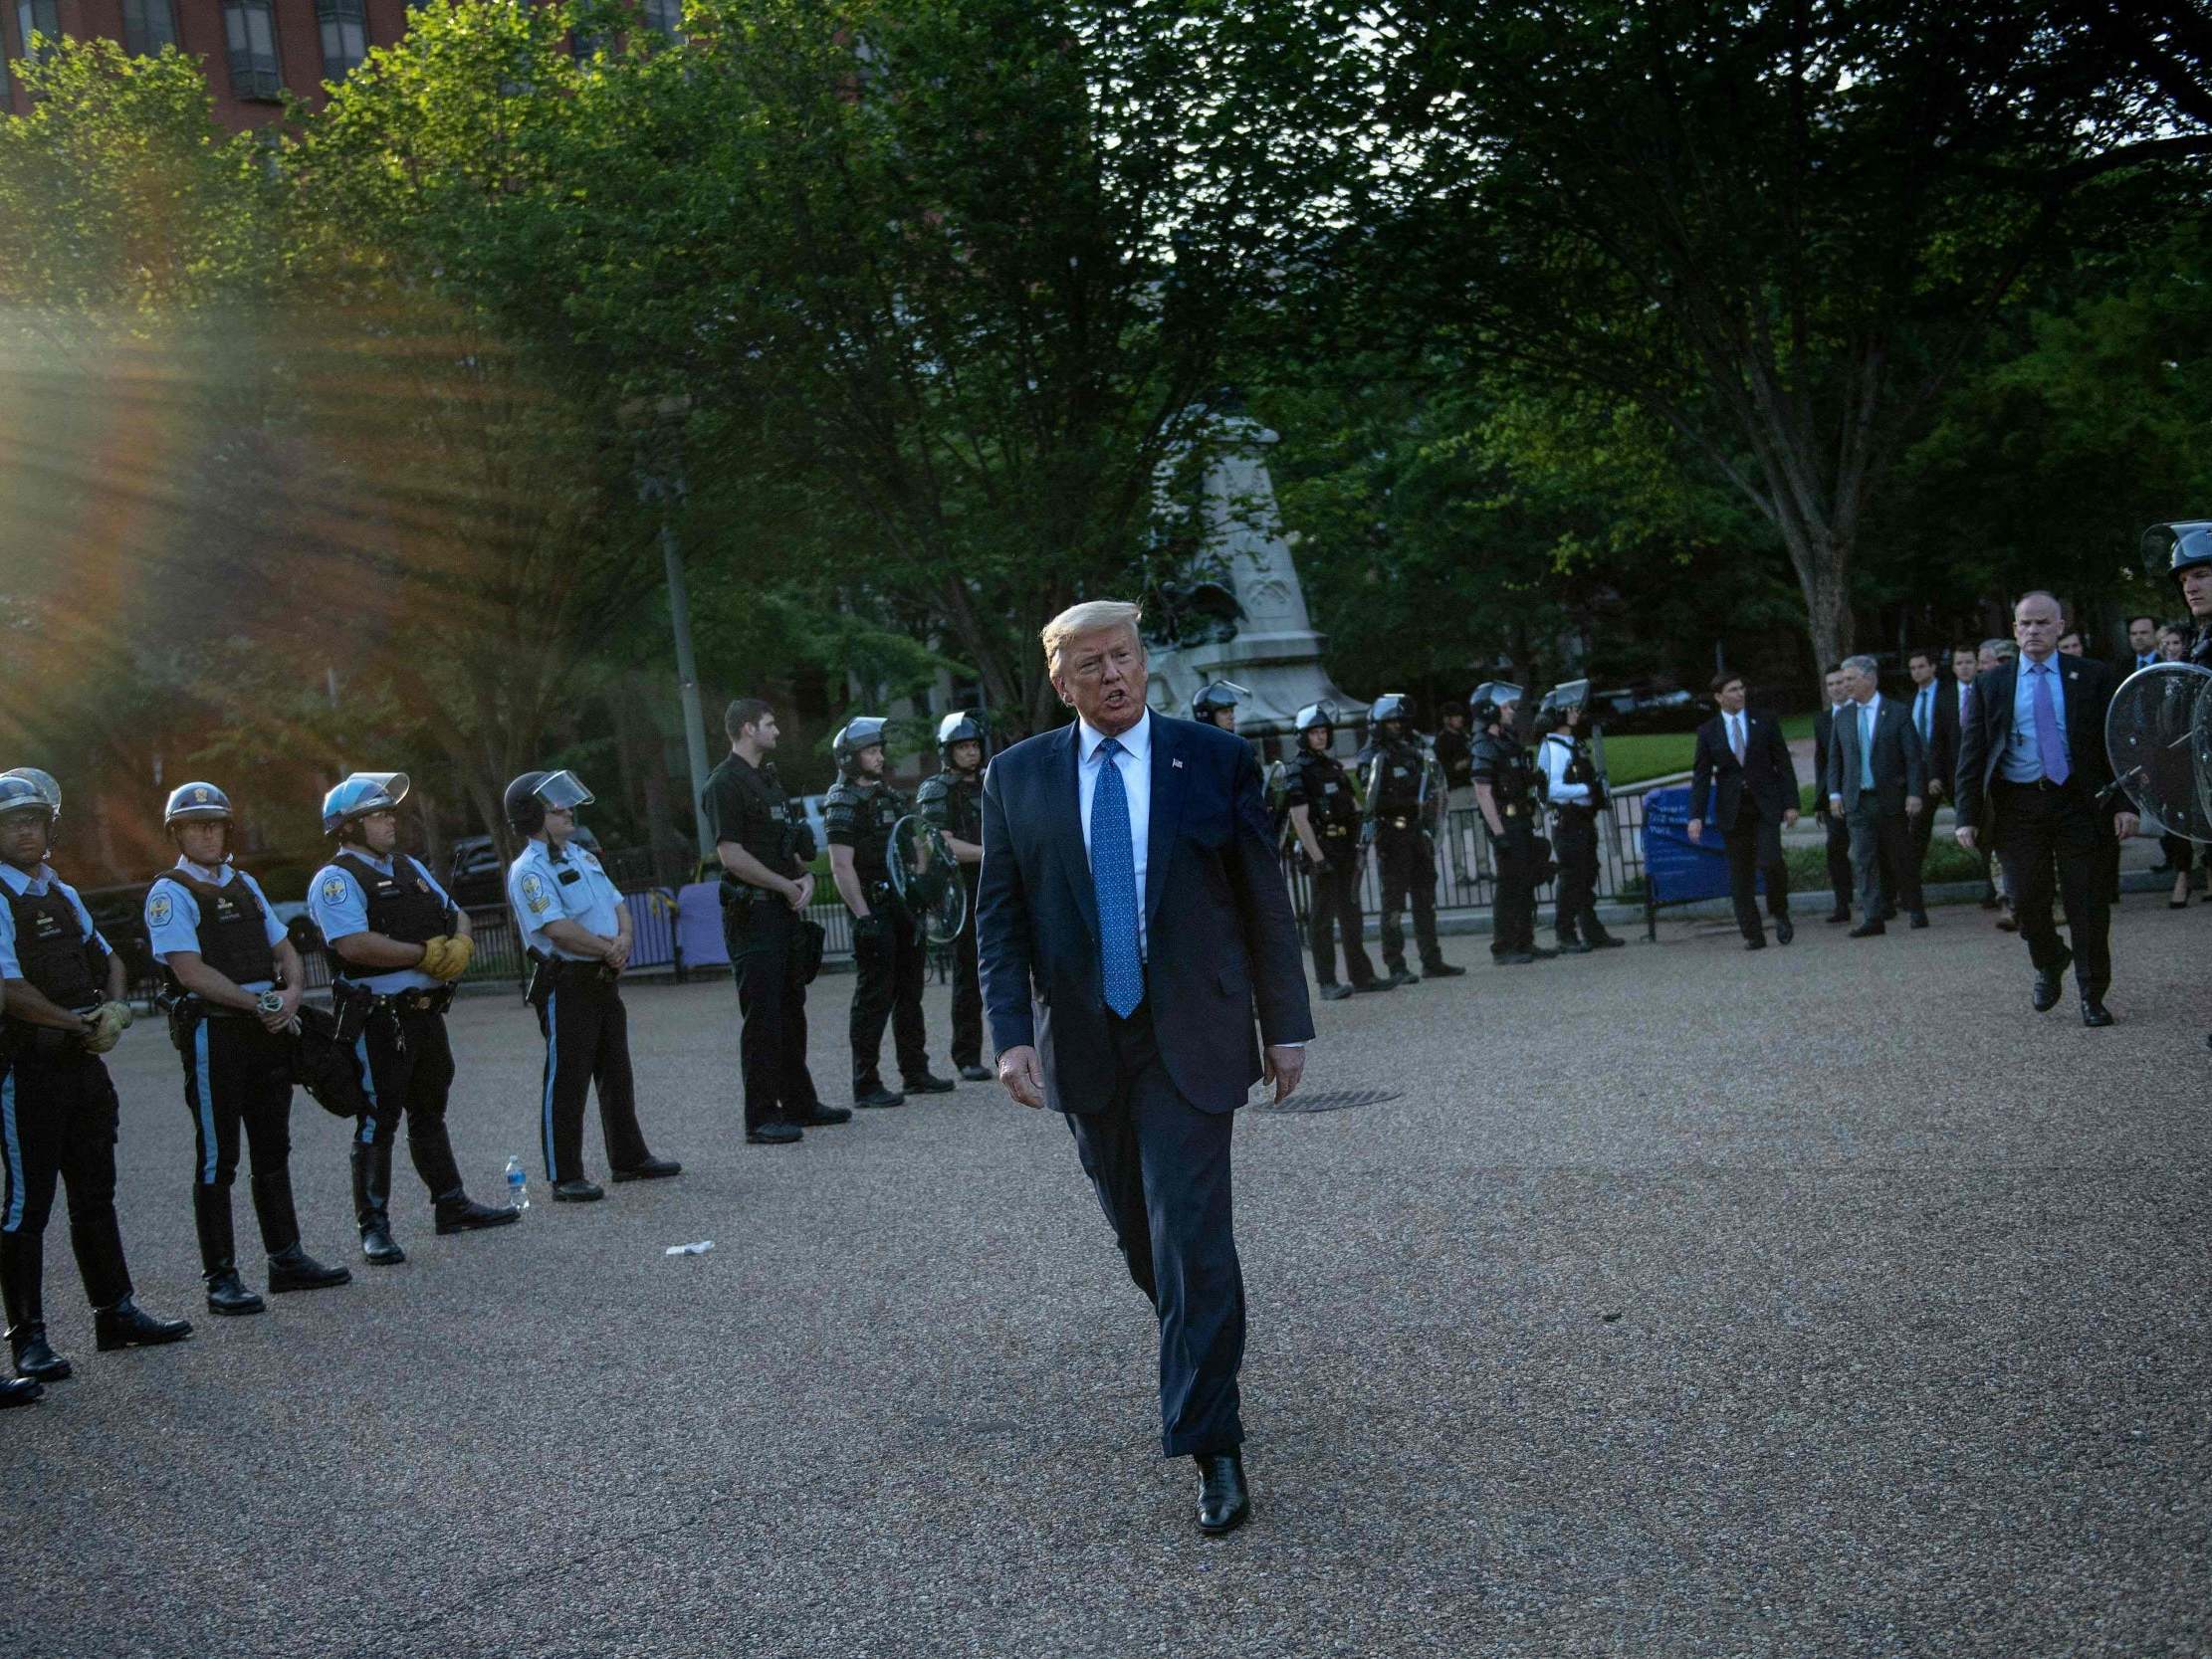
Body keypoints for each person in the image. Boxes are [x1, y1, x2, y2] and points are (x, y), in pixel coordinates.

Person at [976, 598, 1312, 1538]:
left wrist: (1285, 1026)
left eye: (1123, 658)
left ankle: (1213, 1442)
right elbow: (998, 924)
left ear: (1143, 659)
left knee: (1192, 1235)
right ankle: (1205, 1345)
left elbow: (1264, 905)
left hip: (1193, 1036)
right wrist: (1009, 1036)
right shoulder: (1017, 778)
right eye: (1091, 666)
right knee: (1144, 1240)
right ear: (1061, 680)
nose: (1113, 677)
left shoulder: (1214, 760)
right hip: (1086, 1043)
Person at [0, 773, 192, 1384]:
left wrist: (112, 1007)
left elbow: (108, 957)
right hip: (25, 1070)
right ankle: (28, 1339)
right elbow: (8, 990)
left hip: (82, 1068)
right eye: (11, 821)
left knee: (95, 1195)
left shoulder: (61, 891)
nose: (26, 829)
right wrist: (77, 1024)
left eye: (34, 818)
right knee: (26, 1208)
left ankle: (115, 1314)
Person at [146, 783, 350, 1316]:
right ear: (178, 834)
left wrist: (292, 992)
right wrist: (257, 1004)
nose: (208, 832)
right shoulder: (170, 891)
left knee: (273, 1147)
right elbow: (188, 971)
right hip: (217, 1035)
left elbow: (283, 946)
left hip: (265, 1031)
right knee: (219, 1158)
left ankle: (286, 1259)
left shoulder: (244, 884)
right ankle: (221, 1279)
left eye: (215, 823)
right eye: (195, 825)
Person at [309, 772, 518, 1264]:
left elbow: (455, 913)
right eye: (378, 816)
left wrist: (461, 943)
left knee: (430, 1111)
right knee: (376, 1120)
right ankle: (374, 1227)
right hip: (380, 1019)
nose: (390, 822)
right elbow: (353, 944)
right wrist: (422, 954)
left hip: (425, 1015)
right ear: (348, 828)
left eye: (388, 813)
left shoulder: (407, 867)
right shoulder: (336, 880)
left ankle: (450, 1203)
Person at [1954, 591, 2136, 1026]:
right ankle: (2050, 958)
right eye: (2025, 624)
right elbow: (1972, 754)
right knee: (2024, 901)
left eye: (2042, 623)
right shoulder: (1990, 684)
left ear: (2060, 627)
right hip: (2018, 806)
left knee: (2087, 904)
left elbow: (2118, 743)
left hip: (2078, 802)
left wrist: (2125, 803)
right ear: (2014, 630)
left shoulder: (2092, 676)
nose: (2033, 631)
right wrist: (1965, 816)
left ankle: (2092, 995)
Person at [504, 769, 680, 1203]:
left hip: (602, 978)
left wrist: (623, 941)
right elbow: (557, 929)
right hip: (567, 982)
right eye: (554, 805)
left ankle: (629, 1159)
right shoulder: (529, 871)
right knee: (567, 1079)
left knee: (616, 1073)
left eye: (564, 802)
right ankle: (565, 1176)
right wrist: (607, 950)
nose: (566, 810)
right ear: (532, 816)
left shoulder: (582, 856)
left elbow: (618, 904)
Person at [703, 699, 847, 1145]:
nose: (778, 732)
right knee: (762, 1018)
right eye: (769, 724)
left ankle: (799, 1103)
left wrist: (801, 876)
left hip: (781, 912)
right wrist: (784, 887)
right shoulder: (725, 784)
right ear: (747, 729)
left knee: (791, 1012)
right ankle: (761, 1116)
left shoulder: (767, 781)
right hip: (754, 915)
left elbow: (784, 846)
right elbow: (732, 856)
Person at [826, 718, 955, 1109]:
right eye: (871, 751)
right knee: (873, 997)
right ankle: (865, 1083)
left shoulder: (890, 795)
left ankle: (914, 1072)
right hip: (874, 906)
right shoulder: (842, 799)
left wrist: (922, 884)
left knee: (910, 992)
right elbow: (840, 865)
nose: (879, 756)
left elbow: (914, 842)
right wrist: (863, 917)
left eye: (879, 750)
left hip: (903, 906)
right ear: (851, 757)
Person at [1283, 702, 1387, 999]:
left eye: (1323, 732)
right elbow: (1299, 818)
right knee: (1322, 920)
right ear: (1303, 736)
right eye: (1314, 732)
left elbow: (1354, 807)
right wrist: (1317, 858)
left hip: (1345, 848)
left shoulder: (1334, 767)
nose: (1321, 737)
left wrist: (1363, 838)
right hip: (1323, 850)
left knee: (1351, 915)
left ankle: (1362, 976)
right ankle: (1327, 982)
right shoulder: (1298, 771)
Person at [1687, 673, 1799, 949]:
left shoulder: (1765, 721)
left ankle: (1779, 911)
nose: (1740, 693)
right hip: (1733, 810)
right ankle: (1752, 932)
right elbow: (1701, 776)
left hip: (1764, 804)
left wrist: (1791, 803)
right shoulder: (1708, 732)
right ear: (1718, 697)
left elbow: (1783, 763)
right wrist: (1695, 816)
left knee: (1770, 861)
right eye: (1733, 690)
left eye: (1741, 688)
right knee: (1741, 873)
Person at [1356, 695, 1461, 983]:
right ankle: (1396, 963)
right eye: (1391, 721)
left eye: (1399, 721)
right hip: (1392, 833)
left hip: (1416, 831)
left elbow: (1431, 783)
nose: (1397, 726)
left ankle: (1432, 958)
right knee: (1393, 902)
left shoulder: (1411, 750)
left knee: (1425, 897)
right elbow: (1371, 798)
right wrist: (1405, 800)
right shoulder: (1373, 756)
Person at [917, 711, 993, 1082]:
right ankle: (966, 1055)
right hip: (961, 892)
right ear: (948, 751)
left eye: (974, 745)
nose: (970, 752)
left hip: (997, 885)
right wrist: (991, 852)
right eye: (962, 746)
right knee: (968, 977)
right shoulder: (936, 790)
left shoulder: (992, 781)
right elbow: (939, 845)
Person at [1828, 654, 1926, 934]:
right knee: (1862, 858)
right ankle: (1873, 917)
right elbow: (1835, 759)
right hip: (1857, 800)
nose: (1845, 685)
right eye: (1842, 680)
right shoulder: (1843, 716)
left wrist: (1915, 792)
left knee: (1901, 857)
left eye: (1850, 679)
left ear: (1869, 678)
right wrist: (1835, 794)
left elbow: (1913, 757)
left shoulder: (1896, 711)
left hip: (1891, 798)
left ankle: (1915, 907)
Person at [1536, 690, 1624, 952]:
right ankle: (1565, 933)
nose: (1576, 713)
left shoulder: (1570, 745)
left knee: (1585, 876)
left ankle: (1591, 930)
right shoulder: (1554, 748)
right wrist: (1587, 789)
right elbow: (1551, 790)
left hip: (1581, 819)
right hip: (1568, 820)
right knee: (1572, 878)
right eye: (1570, 709)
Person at [1471, 683, 1549, 966]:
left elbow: (1515, 777)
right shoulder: (1484, 744)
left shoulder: (1508, 739)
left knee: (1526, 881)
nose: (1511, 711)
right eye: (1505, 707)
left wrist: (1533, 779)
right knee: (1509, 885)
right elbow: (1483, 791)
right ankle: (1503, 947)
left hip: (1521, 819)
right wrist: (1498, 832)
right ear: (1490, 710)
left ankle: (1525, 941)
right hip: (1505, 821)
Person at [2152, 625, 2197, 905]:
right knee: (2176, 817)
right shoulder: (2154, 677)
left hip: (2196, 752)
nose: (2171, 647)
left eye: (2176, 642)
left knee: (2202, 813)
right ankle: (2182, 874)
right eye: (2165, 642)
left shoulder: (2195, 670)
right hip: (2167, 757)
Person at [1811, 668, 1858, 924]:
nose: (1837, 688)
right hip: (1834, 796)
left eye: (1841, 682)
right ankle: (1843, 903)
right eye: (1831, 684)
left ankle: (1886, 899)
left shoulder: (1860, 712)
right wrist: (1822, 798)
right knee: (1835, 848)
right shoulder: (1822, 720)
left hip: (1861, 792)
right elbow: (1822, 761)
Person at [1902, 648, 1948, 886]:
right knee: (1917, 831)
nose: (1917, 672)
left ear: (1932, 667)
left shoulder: (1949, 695)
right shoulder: (1909, 702)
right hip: (1920, 774)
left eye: (1921, 666)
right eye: (1912, 668)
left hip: (1949, 771)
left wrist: (1938, 773)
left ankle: (1995, 889)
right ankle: (1910, 885)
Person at [1433, 704, 1476, 884]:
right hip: (1455, 789)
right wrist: (1469, 760)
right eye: (1456, 716)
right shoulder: (1442, 740)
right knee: (1456, 832)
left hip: (1471, 786)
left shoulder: (1464, 736)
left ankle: (1483, 868)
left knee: (1480, 828)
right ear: (1447, 719)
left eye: (1460, 715)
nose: (1460, 719)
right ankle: (1459, 872)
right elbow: (1450, 768)